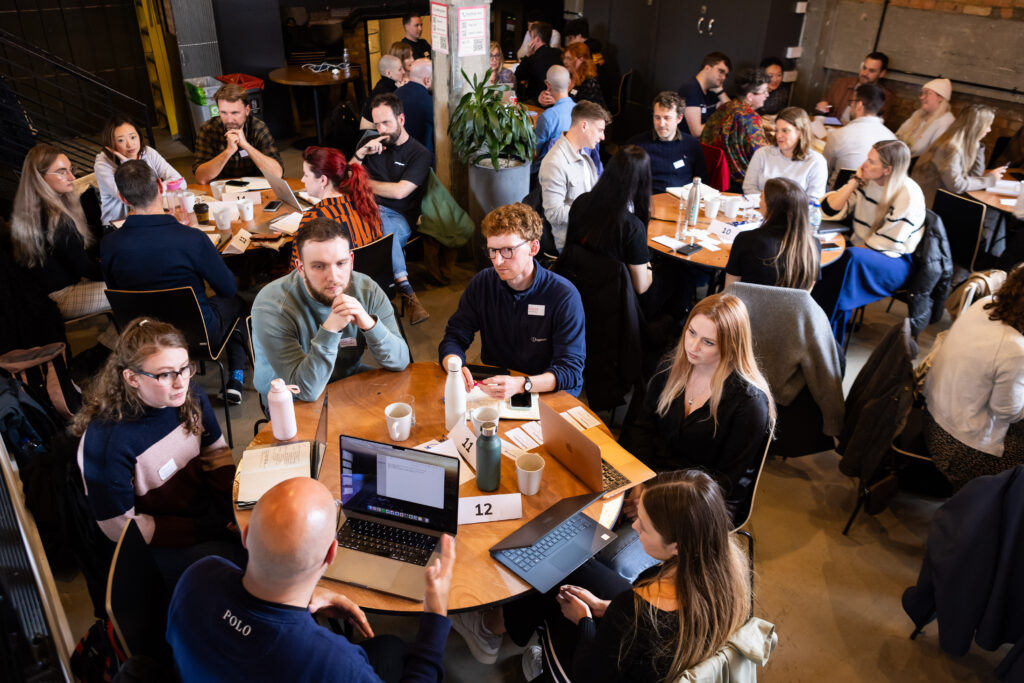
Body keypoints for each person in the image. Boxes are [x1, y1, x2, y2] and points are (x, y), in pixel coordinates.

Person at [451, 470, 754, 680]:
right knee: (573, 565)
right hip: (653, 655)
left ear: (676, 546)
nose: (633, 528)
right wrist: (604, 607)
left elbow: (590, 674)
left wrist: (584, 620)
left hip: (593, 672)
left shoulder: (637, 608)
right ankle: (498, 627)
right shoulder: (724, 568)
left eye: (644, 527)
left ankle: (504, 639)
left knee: (548, 586)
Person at [166, 477, 455, 682]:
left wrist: (303, 600)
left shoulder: (198, 575)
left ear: (245, 535)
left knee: (389, 648)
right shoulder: (337, 665)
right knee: (394, 650)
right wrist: (435, 617)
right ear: (331, 554)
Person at [73, 318, 243, 585]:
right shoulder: (108, 442)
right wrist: (207, 529)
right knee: (242, 566)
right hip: (158, 544)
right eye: (165, 374)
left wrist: (233, 512)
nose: (180, 383)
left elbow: (216, 455)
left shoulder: (190, 395)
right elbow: (122, 528)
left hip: (202, 517)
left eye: (185, 368)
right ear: (132, 378)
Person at [102, 160, 250, 404]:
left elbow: (115, 291)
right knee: (236, 301)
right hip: (198, 335)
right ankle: (235, 378)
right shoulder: (192, 239)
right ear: (160, 186)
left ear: (122, 197)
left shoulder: (109, 245)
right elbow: (227, 288)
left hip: (143, 339)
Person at [618, 294, 775, 517]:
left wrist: (656, 498)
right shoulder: (670, 369)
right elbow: (643, 428)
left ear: (730, 346)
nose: (693, 346)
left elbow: (724, 482)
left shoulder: (749, 404)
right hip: (653, 478)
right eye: (691, 332)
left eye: (708, 342)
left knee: (624, 540)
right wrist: (639, 483)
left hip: (703, 500)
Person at [252, 217, 409, 403]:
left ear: (351, 260)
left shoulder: (367, 289)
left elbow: (401, 361)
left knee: (405, 401)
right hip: (289, 396)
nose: (333, 277)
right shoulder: (271, 305)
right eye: (319, 266)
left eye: (341, 263)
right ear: (300, 268)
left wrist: (370, 325)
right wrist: (330, 330)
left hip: (345, 378)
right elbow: (306, 390)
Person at [439, 203, 585, 398]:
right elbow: (455, 336)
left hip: (546, 390)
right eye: (492, 251)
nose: (498, 261)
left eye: (508, 250)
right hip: (498, 385)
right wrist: (453, 364)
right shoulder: (482, 283)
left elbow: (570, 371)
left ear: (533, 247)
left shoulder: (563, 296)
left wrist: (522, 384)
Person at [923, 268, 1024, 491]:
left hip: (932, 417)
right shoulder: (1015, 349)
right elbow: (1008, 412)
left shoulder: (985, 304)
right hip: (960, 450)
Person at [817, 140, 925, 342]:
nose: (864, 164)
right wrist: (853, 182)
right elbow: (828, 211)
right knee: (833, 256)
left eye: (871, 161)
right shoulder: (867, 182)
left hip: (893, 261)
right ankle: (820, 327)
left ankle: (824, 334)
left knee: (847, 261)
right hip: (860, 253)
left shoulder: (908, 194)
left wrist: (857, 248)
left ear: (887, 169)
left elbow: (890, 242)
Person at [353, 93, 433, 324]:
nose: (381, 129)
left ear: (401, 119)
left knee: (384, 234)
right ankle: (397, 294)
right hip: (362, 209)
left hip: (397, 215)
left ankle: (401, 293)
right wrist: (361, 154)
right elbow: (347, 176)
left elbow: (400, 192)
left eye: (386, 122)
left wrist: (363, 183)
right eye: (376, 123)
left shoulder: (419, 153)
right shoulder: (371, 143)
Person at [7, 143, 107, 320]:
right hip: (62, 297)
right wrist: (123, 268)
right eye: (62, 172)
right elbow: (86, 269)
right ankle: (106, 345)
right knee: (137, 287)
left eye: (70, 169)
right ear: (40, 177)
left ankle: (107, 343)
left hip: (41, 296)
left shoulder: (29, 210)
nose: (71, 176)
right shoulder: (56, 218)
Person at [566, 145, 653, 295]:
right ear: (642, 181)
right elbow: (640, 287)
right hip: (616, 300)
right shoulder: (632, 227)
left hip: (578, 287)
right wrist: (649, 267)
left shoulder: (581, 202)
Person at [726, 178, 821, 291]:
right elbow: (805, 298)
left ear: (769, 207)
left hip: (747, 307)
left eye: (761, 197)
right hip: (791, 309)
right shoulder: (812, 245)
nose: (759, 200)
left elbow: (730, 290)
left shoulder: (746, 239)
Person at [539, 101, 609, 251]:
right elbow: (554, 214)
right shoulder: (555, 163)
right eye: (600, 130)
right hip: (574, 244)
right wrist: (592, 210)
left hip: (591, 233)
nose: (603, 137)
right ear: (584, 126)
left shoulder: (583, 153)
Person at [912, 103, 1006, 207]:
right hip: (930, 203)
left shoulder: (964, 144)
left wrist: (978, 146)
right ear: (977, 126)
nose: (989, 130)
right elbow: (956, 185)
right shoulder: (949, 147)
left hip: (945, 198)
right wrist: (989, 179)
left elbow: (975, 176)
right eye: (988, 125)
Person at [94, 114, 182, 224]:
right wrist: (127, 163)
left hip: (151, 216)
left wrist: (154, 189)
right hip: (118, 224)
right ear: (111, 144)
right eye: (121, 140)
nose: (130, 144)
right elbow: (134, 197)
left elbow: (179, 181)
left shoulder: (147, 152)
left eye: (133, 137)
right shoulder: (103, 164)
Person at [193, 83, 283, 184]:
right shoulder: (208, 129)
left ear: (247, 110)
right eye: (223, 113)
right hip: (222, 189)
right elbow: (201, 178)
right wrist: (228, 151)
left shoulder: (258, 127)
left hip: (257, 187)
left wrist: (246, 146)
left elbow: (277, 174)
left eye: (235, 113)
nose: (229, 120)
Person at [297, 145, 382, 251]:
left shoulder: (312, 218)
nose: (302, 180)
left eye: (306, 175)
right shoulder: (364, 203)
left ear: (323, 180)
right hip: (367, 267)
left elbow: (298, 265)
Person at [700, 68, 771, 191]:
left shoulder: (726, 107)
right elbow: (761, 154)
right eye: (764, 91)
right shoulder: (750, 118)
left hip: (713, 176)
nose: (767, 95)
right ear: (750, 96)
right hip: (739, 183)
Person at [626, 91, 708, 194]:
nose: (661, 124)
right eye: (657, 117)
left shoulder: (692, 145)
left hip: (681, 203)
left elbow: (701, 181)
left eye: (667, 118)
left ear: (679, 118)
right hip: (649, 203)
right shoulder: (636, 145)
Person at [743, 106, 828, 199]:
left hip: (795, 213)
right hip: (760, 210)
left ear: (800, 132)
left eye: (785, 130)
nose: (778, 135)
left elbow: (814, 199)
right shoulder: (762, 153)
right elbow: (749, 187)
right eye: (776, 130)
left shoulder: (816, 162)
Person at [822, 83, 895, 186]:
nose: (851, 106)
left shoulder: (838, 135)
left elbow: (824, 172)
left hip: (838, 196)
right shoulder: (892, 139)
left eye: (852, 102)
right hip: (872, 198)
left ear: (859, 105)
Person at [815, 51, 892, 123]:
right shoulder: (841, 83)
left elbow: (875, 126)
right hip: (830, 129)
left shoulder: (884, 96)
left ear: (882, 73)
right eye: (864, 68)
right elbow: (823, 110)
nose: (865, 73)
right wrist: (822, 107)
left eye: (871, 71)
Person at [895, 78, 955, 158]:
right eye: (922, 93)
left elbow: (933, 153)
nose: (922, 97)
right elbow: (898, 135)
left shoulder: (946, 122)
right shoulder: (918, 115)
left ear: (941, 97)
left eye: (927, 93)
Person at [678, 52, 732, 137]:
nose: (724, 77)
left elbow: (733, 113)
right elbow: (696, 132)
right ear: (707, 68)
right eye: (721, 71)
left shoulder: (713, 90)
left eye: (726, 75)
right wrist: (723, 122)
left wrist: (720, 91)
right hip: (688, 146)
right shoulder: (690, 89)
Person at [533, 65, 574, 169]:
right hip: (572, 167)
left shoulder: (547, 117)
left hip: (546, 169)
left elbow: (534, 153)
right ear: (569, 83)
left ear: (548, 85)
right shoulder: (579, 111)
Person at [516, 21, 563, 103]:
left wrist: (527, 55)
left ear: (537, 39)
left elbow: (518, 75)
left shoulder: (533, 59)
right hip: (556, 100)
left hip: (536, 102)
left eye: (531, 38)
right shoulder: (559, 54)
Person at [396, 58, 434, 153]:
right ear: (427, 80)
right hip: (420, 156)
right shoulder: (429, 101)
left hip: (396, 153)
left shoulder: (395, 93)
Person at [359, 55, 404, 130]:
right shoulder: (385, 90)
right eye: (400, 69)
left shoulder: (386, 84)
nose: (403, 71)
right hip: (370, 133)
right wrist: (402, 90)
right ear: (388, 73)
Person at [561, 43, 606, 109]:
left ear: (581, 60)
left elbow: (588, 112)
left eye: (569, 59)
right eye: (564, 58)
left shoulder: (590, 82)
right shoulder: (566, 77)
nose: (565, 62)